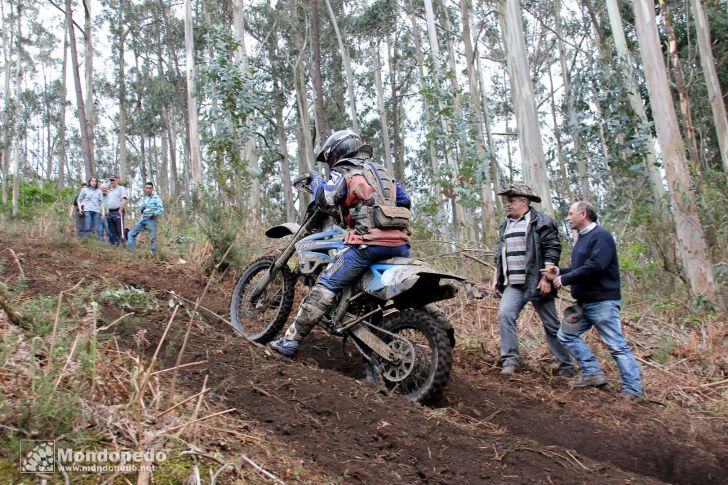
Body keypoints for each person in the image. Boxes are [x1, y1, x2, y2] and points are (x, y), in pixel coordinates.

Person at [269, 129, 411, 357]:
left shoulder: (345, 171)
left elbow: (325, 197)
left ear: (337, 153)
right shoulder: (384, 173)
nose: (330, 164)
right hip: (401, 245)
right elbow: (405, 201)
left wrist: (316, 180)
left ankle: (291, 340)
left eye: (330, 159)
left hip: (367, 244)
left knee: (325, 284)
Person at [543, 201, 642, 399]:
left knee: (616, 345)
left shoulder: (601, 236)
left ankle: (632, 389)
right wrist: (560, 271)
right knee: (565, 335)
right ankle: (592, 373)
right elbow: (581, 267)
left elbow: (596, 266)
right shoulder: (582, 239)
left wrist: (565, 279)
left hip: (603, 302)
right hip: (584, 303)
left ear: (583, 214)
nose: (568, 217)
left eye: (571, 213)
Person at [491, 183, 574, 378]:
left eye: (511, 201)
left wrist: (546, 278)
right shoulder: (505, 225)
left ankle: (566, 367)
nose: (508, 205)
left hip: (537, 282)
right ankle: (510, 361)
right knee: (505, 316)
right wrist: (496, 278)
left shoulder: (542, 222)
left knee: (552, 325)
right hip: (513, 284)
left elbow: (552, 250)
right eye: (507, 201)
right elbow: (499, 254)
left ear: (524, 202)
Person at [127, 182, 164, 253]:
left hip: (151, 219)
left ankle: (154, 254)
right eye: (147, 188)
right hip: (143, 219)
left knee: (152, 237)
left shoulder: (156, 198)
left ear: (152, 189)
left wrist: (153, 214)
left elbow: (161, 209)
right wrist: (142, 209)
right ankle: (132, 252)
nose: (148, 189)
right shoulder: (145, 199)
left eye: (150, 188)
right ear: (145, 189)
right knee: (131, 234)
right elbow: (142, 209)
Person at [106, 175, 128, 246]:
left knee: (120, 230)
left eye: (113, 180)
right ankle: (114, 246)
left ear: (117, 180)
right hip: (110, 213)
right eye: (111, 180)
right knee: (112, 231)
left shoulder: (121, 188)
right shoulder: (110, 191)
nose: (112, 181)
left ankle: (123, 245)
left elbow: (124, 199)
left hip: (118, 211)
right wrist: (107, 210)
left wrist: (120, 210)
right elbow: (108, 202)